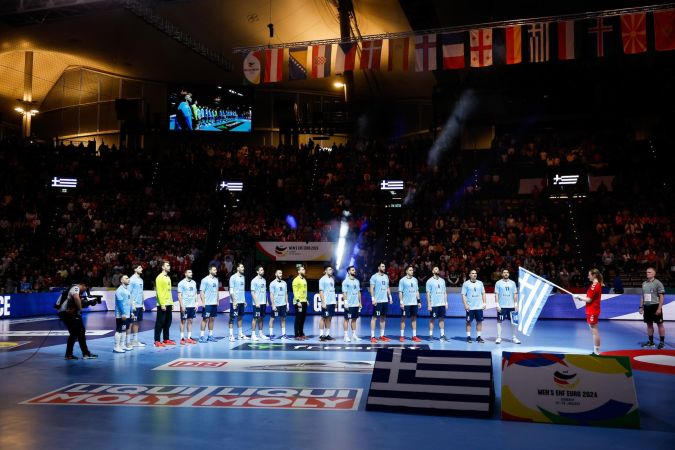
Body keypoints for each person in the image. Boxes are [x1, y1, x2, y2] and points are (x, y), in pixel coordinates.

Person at [58, 280, 98, 360]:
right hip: (66, 313)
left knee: (81, 332)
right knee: (74, 333)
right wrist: (80, 309)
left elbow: (78, 302)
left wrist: (89, 303)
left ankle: (85, 353)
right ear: (83, 285)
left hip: (70, 313)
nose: (86, 290)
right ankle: (69, 355)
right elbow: (76, 298)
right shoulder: (76, 288)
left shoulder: (76, 290)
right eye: (86, 288)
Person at [575, 268, 603, 355]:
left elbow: (589, 299)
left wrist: (579, 297)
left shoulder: (594, 285)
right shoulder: (595, 284)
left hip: (592, 311)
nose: (588, 277)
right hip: (592, 310)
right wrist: (581, 298)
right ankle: (596, 350)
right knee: (594, 331)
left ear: (594, 275)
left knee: (594, 332)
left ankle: (597, 352)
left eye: (589, 275)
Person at [640, 267, 666, 349]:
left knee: (660, 324)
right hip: (647, 307)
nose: (647, 273)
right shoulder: (644, 283)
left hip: (655, 306)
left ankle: (662, 342)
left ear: (654, 273)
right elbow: (642, 296)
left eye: (649, 272)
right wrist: (641, 307)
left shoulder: (658, 283)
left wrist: (659, 308)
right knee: (649, 325)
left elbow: (661, 297)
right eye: (647, 272)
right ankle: (651, 342)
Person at [494, 268, 521, 344]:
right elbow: (496, 294)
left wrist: (516, 304)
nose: (506, 273)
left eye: (507, 272)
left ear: (509, 274)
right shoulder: (498, 283)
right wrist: (497, 305)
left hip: (511, 306)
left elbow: (515, 294)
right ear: (502, 274)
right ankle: (499, 337)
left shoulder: (513, 283)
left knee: (513, 322)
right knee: (499, 321)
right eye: (504, 272)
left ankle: (514, 338)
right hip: (502, 306)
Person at [370, 262, 393, 343]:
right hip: (378, 301)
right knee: (374, 318)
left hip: (385, 301)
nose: (384, 268)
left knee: (383, 318)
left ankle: (382, 336)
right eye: (382, 266)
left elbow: (387, 287)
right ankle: (372, 336)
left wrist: (390, 297)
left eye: (384, 266)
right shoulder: (374, 277)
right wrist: (373, 299)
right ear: (378, 267)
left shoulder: (386, 276)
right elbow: (371, 288)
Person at [461, 269, 486, 343]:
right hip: (470, 307)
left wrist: (484, 303)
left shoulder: (480, 283)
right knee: (469, 322)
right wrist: (465, 304)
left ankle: (478, 337)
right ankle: (468, 337)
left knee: (479, 322)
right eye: (472, 273)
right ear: (469, 275)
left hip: (479, 307)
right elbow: (463, 295)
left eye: (475, 273)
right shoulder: (466, 284)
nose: (474, 274)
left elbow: (483, 293)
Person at [154, 261, 175, 347]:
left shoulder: (168, 278)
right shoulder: (159, 277)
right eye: (167, 265)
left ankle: (166, 339)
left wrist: (172, 303)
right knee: (160, 322)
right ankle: (157, 340)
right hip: (162, 304)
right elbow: (159, 292)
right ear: (163, 267)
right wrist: (162, 304)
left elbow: (169, 291)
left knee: (168, 322)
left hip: (169, 303)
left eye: (169, 265)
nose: (169, 267)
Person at [399, 265, 422, 342]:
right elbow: (400, 292)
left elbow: (417, 291)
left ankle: (414, 336)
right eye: (410, 270)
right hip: (405, 303)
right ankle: (402, 336)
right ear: (406, 271)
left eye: (412, 270)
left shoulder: (415, 280)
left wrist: (419, 301)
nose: (412, 271)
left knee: (414, 319)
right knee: (403, 319)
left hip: (414, 303)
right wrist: (401, 302)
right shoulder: (402, 280)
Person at [426, 265, 448, 341]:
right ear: (433, 271)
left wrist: (446, 303)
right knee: (432, 319)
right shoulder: (429, 281)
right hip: (434, 304)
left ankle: (442, 335)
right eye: (435, 269)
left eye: (438, 269)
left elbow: (445, 292)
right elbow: (428, 294)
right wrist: (429, 304)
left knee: (441, 319)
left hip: (442, 304)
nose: (437, 270)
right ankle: (430, 335)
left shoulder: (442, 281)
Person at [199, 265, 220, 343]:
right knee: (205, 319)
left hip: (214, 303)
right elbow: (201, 292)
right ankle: (201, 336)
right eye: (214, 270)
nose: (216, 271)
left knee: (212, 319)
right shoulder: (205, 280)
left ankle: (210, 336)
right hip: (207, 303)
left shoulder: (216, 280)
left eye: (216, 270)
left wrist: (217, 300)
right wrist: (203, 302)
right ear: (210, 271)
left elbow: (217, 291)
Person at [177, 269, 198, 345]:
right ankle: (182, 338)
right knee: (183, 321)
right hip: (185, 306)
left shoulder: (194, 282)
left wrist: (196, 303)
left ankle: (189, 338)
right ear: (185, 274)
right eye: (189, 272)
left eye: (191, 272)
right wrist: (182, 305)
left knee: (190, 321)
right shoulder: (181, 283)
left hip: (192, 305)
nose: (191, 273)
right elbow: (179, 295)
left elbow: (195, 293)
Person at [342, 265, 362, 342]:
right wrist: (346, 302)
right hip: (349, 304)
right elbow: (344, 292)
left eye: (354, 270)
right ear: (349, 271)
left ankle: (354, 335)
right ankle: (346, 336)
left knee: (354, 320)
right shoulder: (345, 281)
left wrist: (360, 302)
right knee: (346, 319)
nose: (354, 271)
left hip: (356, 304)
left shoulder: (357, 281)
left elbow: (359, 292)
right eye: (353, 270)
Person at [114, 275, 133, 353]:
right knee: (119, 330)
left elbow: (129, 302)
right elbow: (120, 303)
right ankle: (116, 346)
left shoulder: (127, 290)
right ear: (121, 280)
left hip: (127, 314)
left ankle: (122, 345)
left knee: (124, 330)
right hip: (121, 315)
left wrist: (131, 312)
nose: (128, 279)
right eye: (126, 278)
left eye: (128, 278)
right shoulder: (119, 290)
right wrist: (123, 313)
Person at [228, 263, 247, 341]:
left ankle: (240, 334)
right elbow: (231, 291)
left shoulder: (243, 277)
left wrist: (244, 300)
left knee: (240, 317)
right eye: (242, 267)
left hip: (241, 301)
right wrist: (234, 301)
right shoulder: (233, 277)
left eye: (243, 266)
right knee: (232, 318)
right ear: (237, 268)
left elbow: (242, 289)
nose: (243, 268)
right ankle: (231, 335)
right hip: (234, 302)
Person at [269, 269, 289, 339]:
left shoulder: (284, 283)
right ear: (276, 274)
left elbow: (286, 294)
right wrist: (273, 305)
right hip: (276, 305)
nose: (281, 274)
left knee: (283, 319)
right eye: (279, 273)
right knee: (272, 319)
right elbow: (271, 294)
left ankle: (284, 334)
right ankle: (271, 334)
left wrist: (287, 304)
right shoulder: (272, 283)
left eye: (281, 273)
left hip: (283, 304)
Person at [128, 264, 146, 347]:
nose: (141, 269)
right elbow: (129, 293)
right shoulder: (131, 279)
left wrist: (143, 304)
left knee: (136, 322)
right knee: (130, 323)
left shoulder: (141, 280)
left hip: (139, 305)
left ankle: (135, 341)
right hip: (133, 305)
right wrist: (132, 304)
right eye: (139, 267)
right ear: (135, 269)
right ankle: (128, 342)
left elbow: (141, 292)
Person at [251, 265, 270, 341]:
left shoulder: (264, 280)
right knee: (255, 318)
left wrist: (267, 301)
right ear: (257, 271)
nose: (263, 271)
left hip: (263, 303)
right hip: (257, 304)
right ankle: (253, 335)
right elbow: (252, 292)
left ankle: (261, 334)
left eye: (263, 270)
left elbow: (265, 291)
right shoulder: (254, 280)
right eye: (261, 270)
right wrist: (256, 302)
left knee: (261, 318)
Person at [319, 265, 337, 341]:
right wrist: (323, 302)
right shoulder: (322, 279)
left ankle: (327, 334)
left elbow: (333, 291)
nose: (331, 271)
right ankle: (321, 335)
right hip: (326, 302)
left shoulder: (332, 279)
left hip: (332, 302)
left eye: (331, 269)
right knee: (323, 318)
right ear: (325, 271)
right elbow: (321, 291)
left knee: (330, 318)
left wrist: (335, 301)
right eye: (329, 269)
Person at [292, 264, 308, 340]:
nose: (304, 270)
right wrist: (298, 301)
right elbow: (295, 292)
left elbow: (304, 291)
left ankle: (301, 333)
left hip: (304, 301)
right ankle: (296, 335)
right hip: (298, 302)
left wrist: (306, 300)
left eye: (304, 269)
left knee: (303, 318)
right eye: (302, 269)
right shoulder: (296, 280)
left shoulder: (304, 279)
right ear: (298, 271)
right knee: (298, 318)